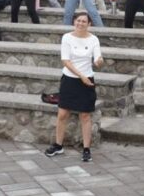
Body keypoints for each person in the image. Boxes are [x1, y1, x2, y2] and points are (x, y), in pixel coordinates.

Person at [44, 12, 103, 162]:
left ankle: (86, 149)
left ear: (89, 24)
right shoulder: (67, 37)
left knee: (85, 115)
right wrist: (81, 76)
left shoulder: (94, 39)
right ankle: (58, 145)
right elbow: (66, 61)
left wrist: (99, 61)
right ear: (74, 22)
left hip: (87, 80)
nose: (81, 23)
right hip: (70, 80)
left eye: (84, 21)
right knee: (63, 114)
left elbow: (97, 57)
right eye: (78, 21)